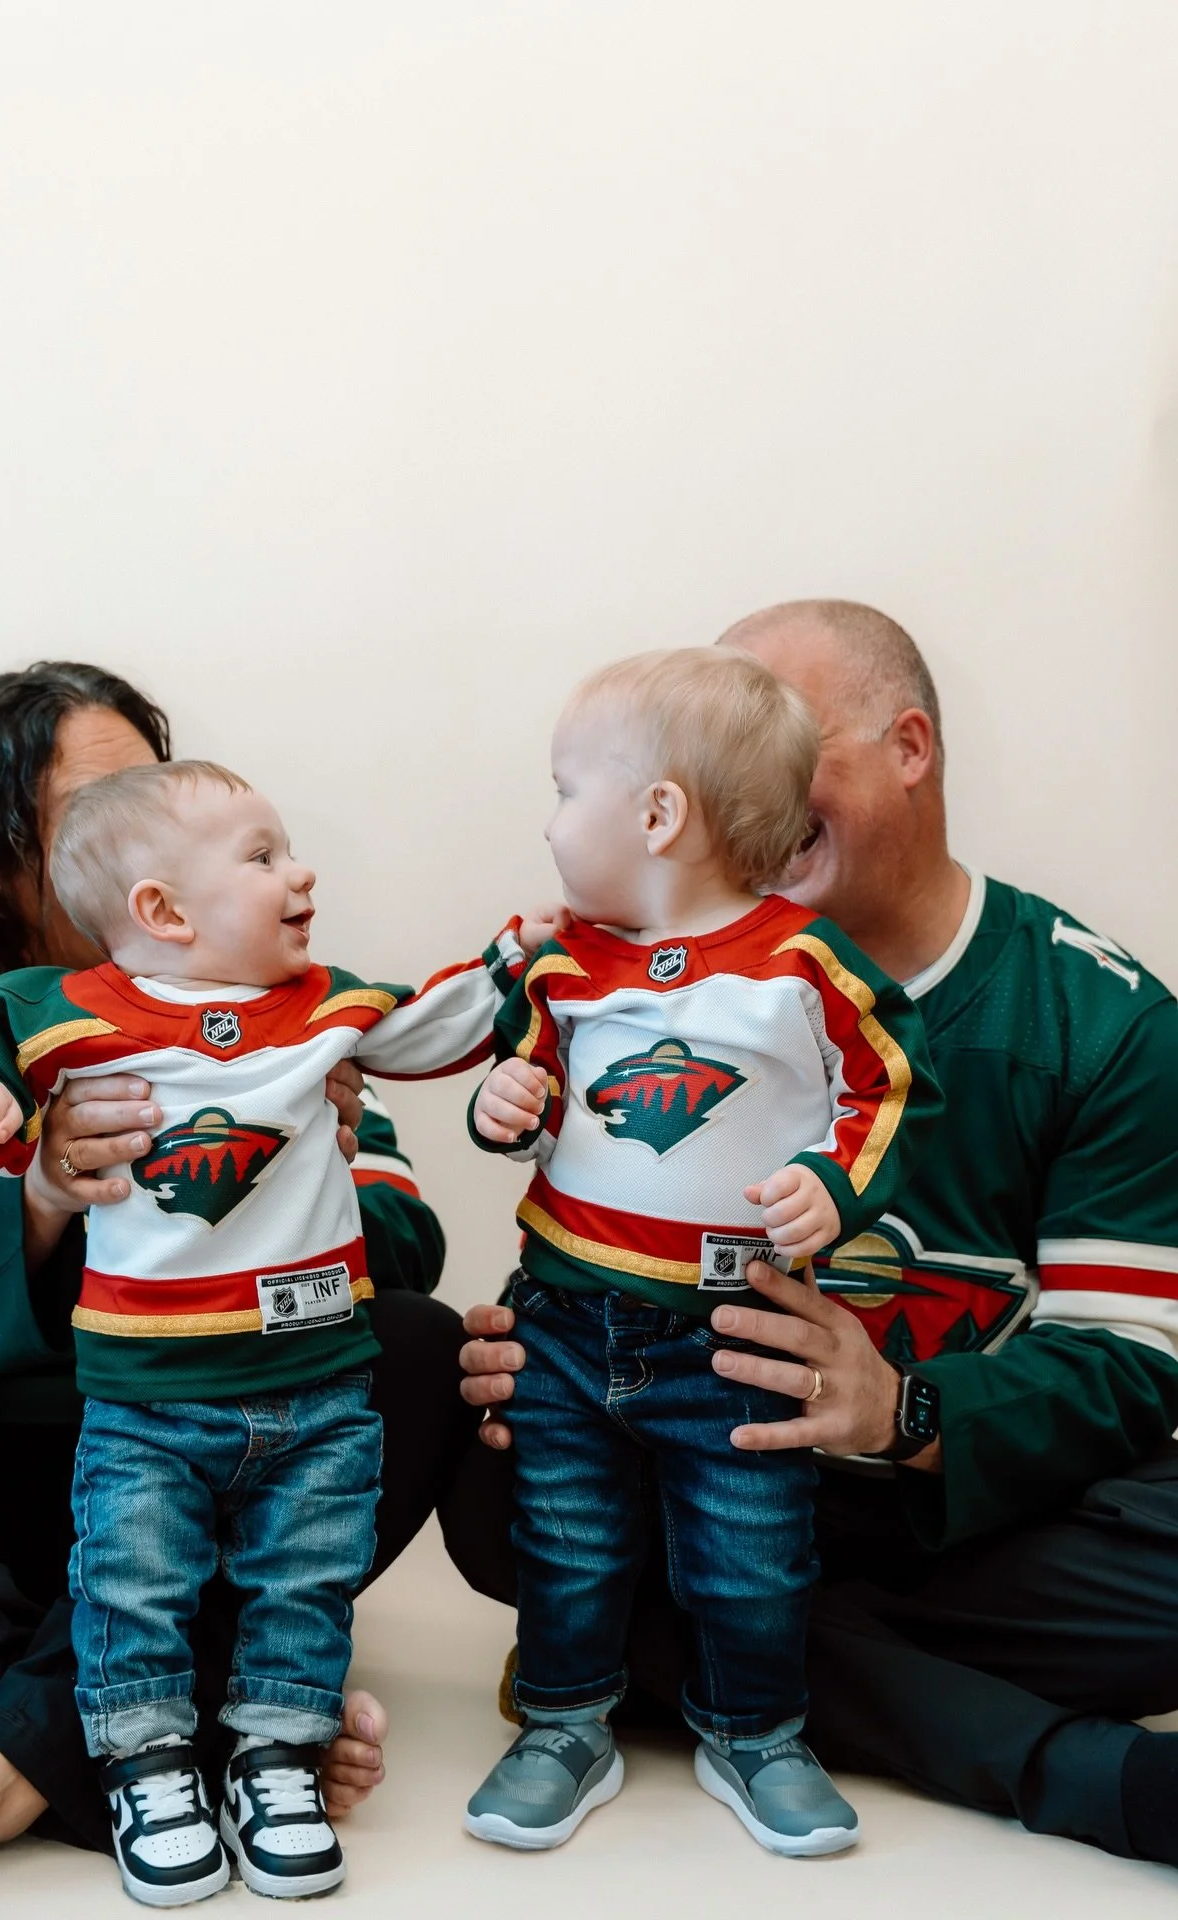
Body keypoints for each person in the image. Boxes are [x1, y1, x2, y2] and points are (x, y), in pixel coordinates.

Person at [451, 600, 1178, 1871]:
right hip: (689, 1446)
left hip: (961, 1510)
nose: (753, 799)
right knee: (483, 1469)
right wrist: (542, 1350)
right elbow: (547, 1157)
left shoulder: (1103, 1020)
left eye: (793, 755)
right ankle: (771, 1674)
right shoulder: (613, 967)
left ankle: (666, 1656)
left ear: (909, 747)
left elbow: (1136, 1362)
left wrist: (903, 1412)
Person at [0, 665, 474, 1915]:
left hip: (207, 1443)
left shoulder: (275, 995)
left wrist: (303, 1170)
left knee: (418, 1350)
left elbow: (403, 1234)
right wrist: (38, 1197)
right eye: (90, 802)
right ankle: (184, 1719)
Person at [0, 757, 517, 1905]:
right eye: (262, 857)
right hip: (147, 1394)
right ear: (162, 911)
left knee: (305, 1580)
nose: (301, 872)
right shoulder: (69, 1012)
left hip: (320, 1383)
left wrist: (520, 960)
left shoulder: (324, 1008)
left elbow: (434, 1029)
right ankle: (146, 1766)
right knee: (132, 1582)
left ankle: (278, 1758)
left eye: (287, 849)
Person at [459, 649, 940, 1859]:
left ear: (658, 814)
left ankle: (758, 1732)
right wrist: (503, 1104)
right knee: (566, 1536)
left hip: (733, 1333)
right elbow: (528, 1075)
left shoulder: (800, 964)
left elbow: (888, 1088)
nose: (553, 820)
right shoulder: (567, 961)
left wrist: (836, 1187)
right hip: (565, 1314)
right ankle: (567, 1723)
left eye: (568, 788)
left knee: (751, 1546)